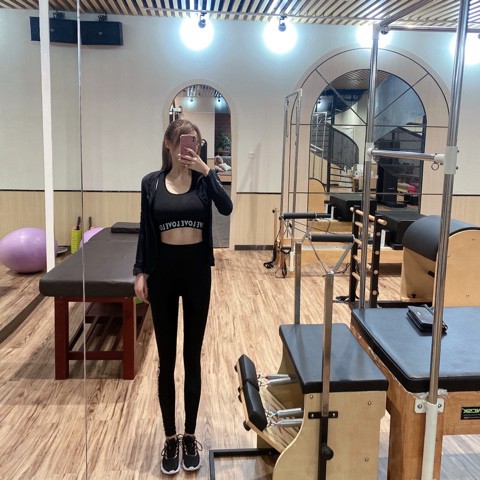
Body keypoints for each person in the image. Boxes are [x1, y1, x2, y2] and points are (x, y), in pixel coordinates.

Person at [133, 119, 233, 475]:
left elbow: (227, 208)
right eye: (179, 142)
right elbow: (145, 231)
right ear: (167, 143)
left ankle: (190, 435)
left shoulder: (204, 182)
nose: (185, 149)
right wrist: (140, 272)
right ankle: (170, 437)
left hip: (196, 275)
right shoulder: (151, 183)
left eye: (192, 142)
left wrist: (207, 170)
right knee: (166, 359)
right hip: (162, 274)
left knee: (192, 357)